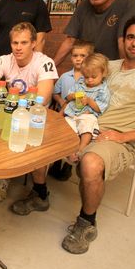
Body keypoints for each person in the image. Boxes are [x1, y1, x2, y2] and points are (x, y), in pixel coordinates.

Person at [61, 13, 135, 254]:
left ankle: (86, 222)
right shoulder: (108, 66)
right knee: (40, 130)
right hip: (87, 123)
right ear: (123, 40)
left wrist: (121, 137)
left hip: (116, 138)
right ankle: (39, 192)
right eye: (131, 36)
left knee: (90, 163)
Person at [0, 22, 58, 201]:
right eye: (15, 43)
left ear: (34, 43)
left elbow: (43, 97)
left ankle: (40, 191)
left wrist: (13, 99)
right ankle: (3, 177)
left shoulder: (44, 62)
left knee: (37, 150)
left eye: (24, 43)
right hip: (11, 113)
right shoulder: (4, 60)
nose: (18, 48)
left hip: (36, 117)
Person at [52, 0, 135, 66]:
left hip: (112, 68)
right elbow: (69, 41)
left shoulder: (127, 3)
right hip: (87, 69)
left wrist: (125, 73)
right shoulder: (84, 5)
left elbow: (123, 41)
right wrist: (51, 70)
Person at [49, 40, 94, 181]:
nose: (78, 59)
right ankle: (57, 160)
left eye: (83, 56)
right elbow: (55, 92)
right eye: (75, 55)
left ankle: (69, 163)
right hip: (65, 113)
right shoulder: (64, 77)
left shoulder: (91, 79)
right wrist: (62, 101)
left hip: (81, 116)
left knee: (77, 133)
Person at [63, 53, 111, 162]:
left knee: (87, 126)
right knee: (66, 129)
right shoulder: (80, 82)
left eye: (93, 77)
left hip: (87, 114)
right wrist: (74, 96)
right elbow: (68, 96)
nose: (89, 80)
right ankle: (70, 152)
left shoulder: (103, 90)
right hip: (72, 114)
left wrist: (89, 101)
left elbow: (100, 108)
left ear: (103, 73)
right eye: (86, 77)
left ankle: (81, 148)